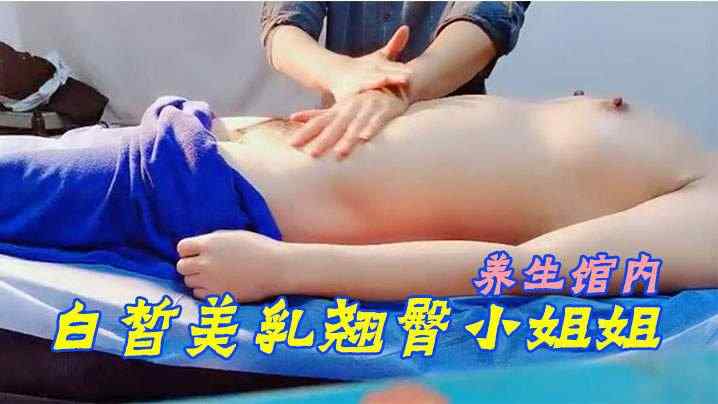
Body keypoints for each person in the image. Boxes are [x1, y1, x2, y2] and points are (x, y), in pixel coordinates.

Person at [1, 94, 715, 302]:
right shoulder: (693, 154)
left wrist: (285, 270)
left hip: (198, 186)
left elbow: (517, 270)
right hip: (214, 144)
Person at [260, 2, 529, 159]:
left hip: (448, 148)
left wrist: (400, 86)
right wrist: (342, 74)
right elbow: (282, 28)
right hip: (344, 142)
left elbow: (487, 19)